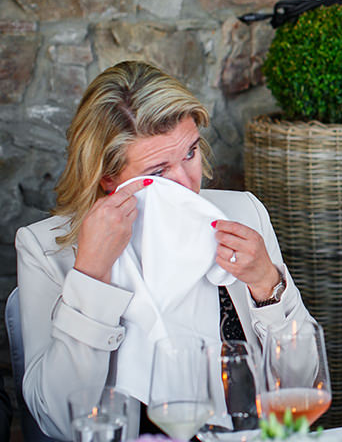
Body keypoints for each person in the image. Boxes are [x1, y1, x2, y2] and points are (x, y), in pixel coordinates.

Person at [15, 61, 313, 440]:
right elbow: (55, 417)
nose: (188, 184)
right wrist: (91, 273)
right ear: (109, 178)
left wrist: (267, 285)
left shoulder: (241, 214)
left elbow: (303, 382)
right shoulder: (45, 249)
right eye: (158, 173)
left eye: (190, 153)